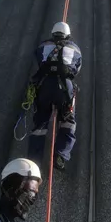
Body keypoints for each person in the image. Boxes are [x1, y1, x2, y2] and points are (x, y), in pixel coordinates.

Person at [27, 22, 82, 171]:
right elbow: (76, 68)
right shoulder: (75, 48)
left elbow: (39, 59)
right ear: (68, 35)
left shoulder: (42, 46)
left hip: (44, 85)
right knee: (68, 121)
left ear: (53, 33)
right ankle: (61, 155)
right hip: (65, 87)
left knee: (40, 124)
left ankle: (34, 161)